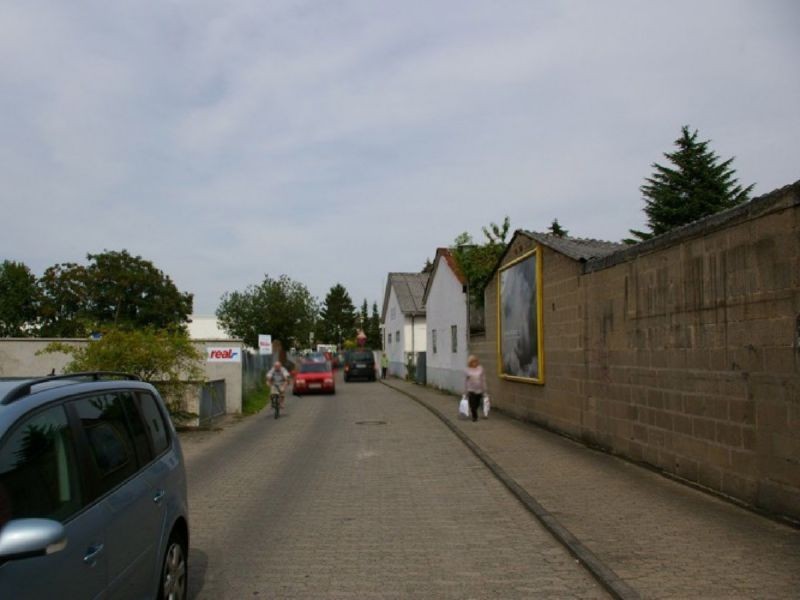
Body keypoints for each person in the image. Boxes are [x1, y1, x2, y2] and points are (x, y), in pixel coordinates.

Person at [464, 355, 486, 422]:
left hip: (479, 389)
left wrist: (484, 388)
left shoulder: (480, 368)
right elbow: (466, 380)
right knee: (472, 404)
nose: (474, 363)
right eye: (473, 362)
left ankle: (474, 411)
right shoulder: (467, 370)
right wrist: (465, 390)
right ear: (470, 363)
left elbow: (483, 379)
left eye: (475, 362)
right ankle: (474, 416)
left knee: (477, 403)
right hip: (471, 389)